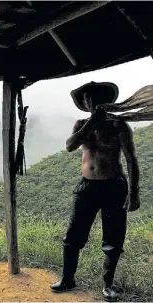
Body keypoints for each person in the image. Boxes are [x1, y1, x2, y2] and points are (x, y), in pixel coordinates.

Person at [51, 82, 140, 302]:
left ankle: (108, 285)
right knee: (73, 236)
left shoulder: (119, 125)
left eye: (95, 97)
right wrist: (92, 121)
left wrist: (134, 192)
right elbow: (70, 145)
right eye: (88, 98)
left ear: (105, 101)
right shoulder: (82, 124)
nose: (91, 101)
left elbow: (131, 159)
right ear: (85, 102)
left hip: (114, 186)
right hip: (87, 186)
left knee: (113, 237)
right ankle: (67, 279)